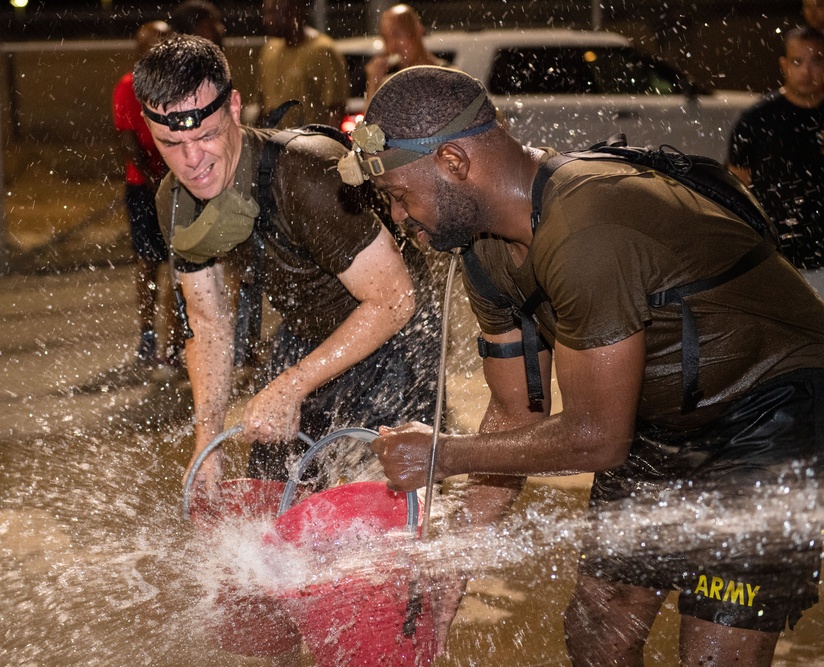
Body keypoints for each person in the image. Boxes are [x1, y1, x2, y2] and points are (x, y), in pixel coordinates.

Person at [346, 66, 824, 665]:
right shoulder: (484, 251)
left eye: (397, 195)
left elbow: (596, 439)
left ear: (453, 162)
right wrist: (446, 579)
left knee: (714, 653)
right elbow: (516, 411)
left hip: (773, 416)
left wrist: (443, 454)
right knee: (598, 631)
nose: (400, 216)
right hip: (660, 423)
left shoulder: (586, 227)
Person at [133, 35, 439, 494]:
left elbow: (396, 301)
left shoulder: (308, 173)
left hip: (396, 337)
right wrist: (207, 443)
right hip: (306, 331)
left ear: (234, 108)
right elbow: (209, 322)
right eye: (171, 143)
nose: (192, 161)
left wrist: (293, 385)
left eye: (206, 136)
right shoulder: (176, 203)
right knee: (275, 493)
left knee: (380, 507)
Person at [728, 26, 824, 292]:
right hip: (777, 259)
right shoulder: (757, 120)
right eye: (797, 62)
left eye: (816, 61)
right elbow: (736, 188)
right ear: (783, 65)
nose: (806, 72)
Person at [111, 21, 178, 372]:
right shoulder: (129, 87)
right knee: (148, 260)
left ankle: (176, 338)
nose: (162, 47)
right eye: (156, 43)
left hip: (176, 180)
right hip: (145, 184)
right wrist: (157, 179)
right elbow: (127, 140)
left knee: (178, 262)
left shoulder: (176, 84)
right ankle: (148, 333)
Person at [258, 0, 349, 127]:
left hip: (311, 142)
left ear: (295, 10)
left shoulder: (323, 50)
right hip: (277, 142)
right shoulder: (269, 51)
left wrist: (327, 143)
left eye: (274, 12)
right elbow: (265, 105)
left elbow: (336, 107)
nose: (267, 20)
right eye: (266, 13)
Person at [364, 3, 446, 101]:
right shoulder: (390, 86)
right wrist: (373, 82)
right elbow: (372, 116)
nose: (391, 47)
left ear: (418, 30)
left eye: (397, 35)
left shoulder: (451, 77)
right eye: (385, 38)